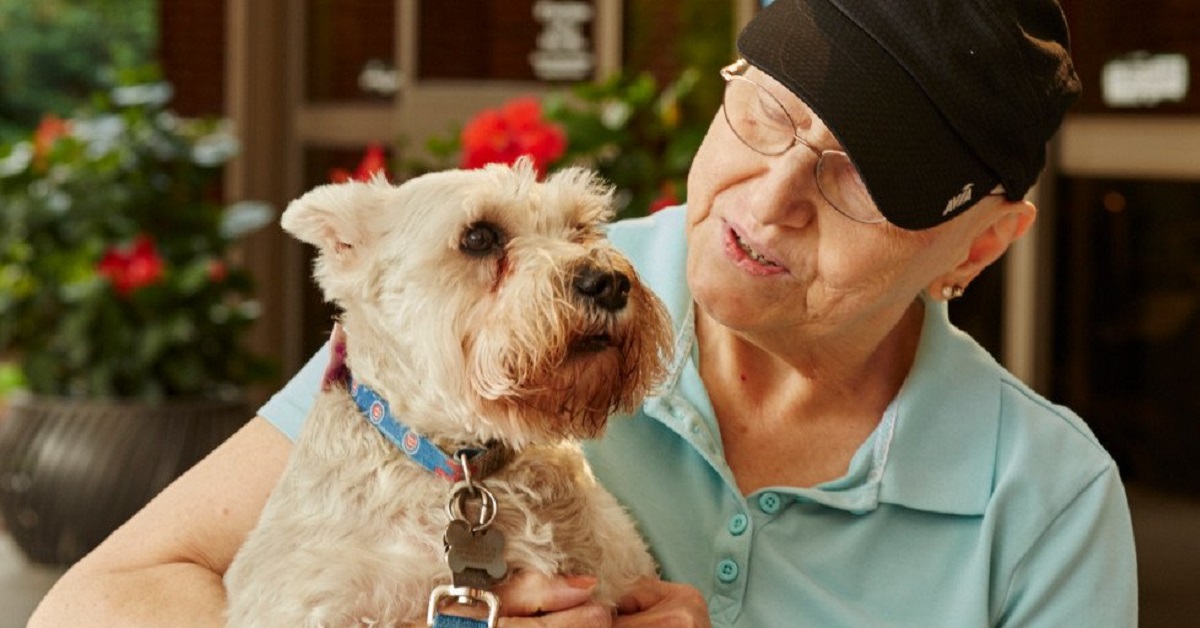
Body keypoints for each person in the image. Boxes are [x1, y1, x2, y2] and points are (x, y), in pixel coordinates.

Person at [30, 0, 1138, 626]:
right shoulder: (448, 349)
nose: (769, 200)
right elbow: (93, 606)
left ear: (978, 247)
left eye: (859, 178)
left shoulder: (1042, 501)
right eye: (766, 112)